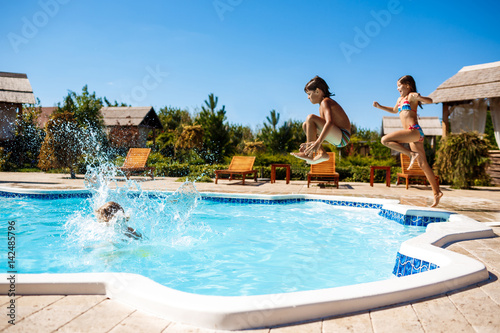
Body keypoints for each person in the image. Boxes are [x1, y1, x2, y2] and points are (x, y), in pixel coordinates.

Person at [373, 75, 443, 207]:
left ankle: (411, 154)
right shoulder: (400, 99)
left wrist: (419, 97)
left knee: (385, 139)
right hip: (414, 136)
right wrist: (380, 106)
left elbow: (430, 100)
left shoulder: (411, 96)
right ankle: (436, 192)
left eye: (399, 85)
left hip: (414, 131)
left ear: (408, 85)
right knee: (423, 164)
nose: (398, 88)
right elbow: (394, 110)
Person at [291, 76, 351, 164]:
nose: (308, 97)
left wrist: (318, 142)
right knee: (306, 125)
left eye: (309, 94)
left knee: (310, 118)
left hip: (343, 136)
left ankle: (309, 154)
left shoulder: (325, 102)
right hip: (336, 136)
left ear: (317, 91)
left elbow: (329, 123)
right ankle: (321, 153)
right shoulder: (321, 105)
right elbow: (321, 128)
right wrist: (310, 143)